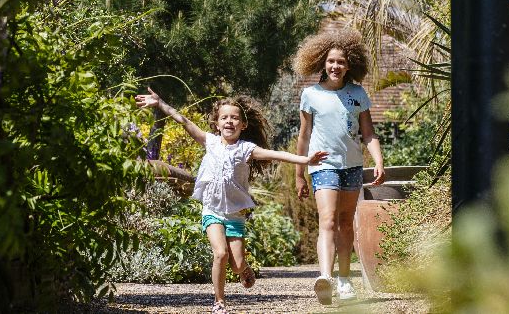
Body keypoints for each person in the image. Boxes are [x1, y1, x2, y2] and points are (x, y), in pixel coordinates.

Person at [136, 88, 327, 314]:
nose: (229, 121)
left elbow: (277, 154)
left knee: (236, 265)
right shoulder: (210, 142)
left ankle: (244, 268)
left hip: (235, 214)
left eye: (234, 117)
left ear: (243, 125)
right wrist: (160, 104)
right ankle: (219, 302)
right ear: (216, 123)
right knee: (220, 254)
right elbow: (184, 120)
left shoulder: (246, 149)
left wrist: (305, 159)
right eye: (224, 117)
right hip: (212, 210)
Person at [293, 29, 385, 304]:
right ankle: (325, 277)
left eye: (341, 62)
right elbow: (304, 136)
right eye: (331, 61)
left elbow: (368, 133)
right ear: (322, 62)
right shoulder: (310, 94)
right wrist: (300, 173)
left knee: (346, 223)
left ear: (350, 65)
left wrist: (378, 160)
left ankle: (345, 281)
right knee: (329, 220)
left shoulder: (358, 93)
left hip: (353, 166)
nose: (336, 66)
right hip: (323, 165)